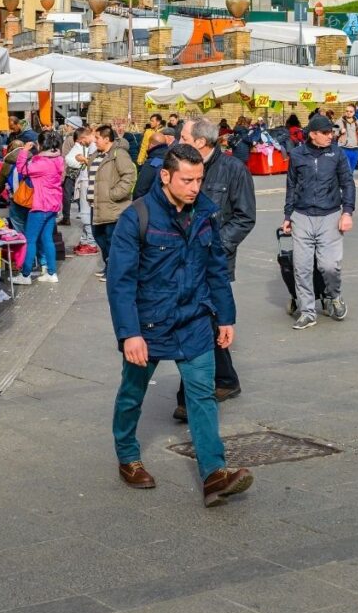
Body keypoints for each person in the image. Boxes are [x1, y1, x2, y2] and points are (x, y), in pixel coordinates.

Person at [107, 144, 252, 507]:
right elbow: (120, 282)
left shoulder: (205, 211)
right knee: (132, 394)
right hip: (149, 322)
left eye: (199, 179)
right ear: (165, 176)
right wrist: (130, 334)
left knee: (202, 394)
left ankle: (214, 474)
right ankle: (127, 456)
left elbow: (216, 267)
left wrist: (226, 316)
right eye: (187, 180)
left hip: (194, 320)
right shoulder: (137, 217)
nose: (194, 187)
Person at [174, 118, 257, 421]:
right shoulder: (180, 166)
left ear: (200, 142)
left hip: (215, 260)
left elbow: (245, 217)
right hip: (183, 258)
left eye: (183, 137)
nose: (177, 141)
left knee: (198, 319)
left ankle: (190, 396)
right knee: (206, 320)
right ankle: (226, 379)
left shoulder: (233, 169)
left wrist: (215, 245)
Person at [282, 115, 356, 329]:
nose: (330, 136)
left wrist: (347, 212)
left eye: (331, 132)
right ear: (313, 134)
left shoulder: (337, 154)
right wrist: (287, 216)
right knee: (302, 267)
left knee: (329, 266)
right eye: (325, 132)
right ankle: (307, 312)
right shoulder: (297, 155)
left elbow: (348, 183)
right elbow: (291, 186)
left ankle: (334, 295)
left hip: (330, 215)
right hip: (302, 216)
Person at [11, 130, 65, 285]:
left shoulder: (40, 164)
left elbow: (21, 169)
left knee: (30, 240)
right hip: (53, 205)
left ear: (40, 144)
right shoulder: (59, 160)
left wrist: (24, 151)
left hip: (40, 205)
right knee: (47, 239)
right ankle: (51, 273)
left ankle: (25, 275)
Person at [88, 124, 136, 281]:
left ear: (106, 139)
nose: (95, 141)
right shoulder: (97, 155)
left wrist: (114, 194)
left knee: (111, 240)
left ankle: (113, 271)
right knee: (99, 236)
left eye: (97, 138)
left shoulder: (118, 154)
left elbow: (129, 176)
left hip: (112, 206)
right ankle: (109, 266)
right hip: (96, 205)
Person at [65, 126, 99, 255]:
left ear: (83, 137)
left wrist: (83, 159)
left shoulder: (93, 146)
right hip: (85, 180)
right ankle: (85, 240)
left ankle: (91, 243)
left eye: (80, 141)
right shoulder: (91, 145)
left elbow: (95, 164)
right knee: (85, 212)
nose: (80, 144)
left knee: (86, 212)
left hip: (88, 181)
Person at [132, 127, 177, 199]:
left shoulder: (151, 163)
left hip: (149, 201)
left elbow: (140, 190)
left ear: (151, 144)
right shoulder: (171, 158)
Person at [59, 116, 84, 226]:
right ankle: (82, 212)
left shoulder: (70, 138)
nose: (65, 127)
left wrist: (62, 174)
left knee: (67, 194)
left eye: (67, 125)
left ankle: (66, 217)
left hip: (70, 170)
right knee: (79, 191)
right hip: (80, 168)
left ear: (73, 126)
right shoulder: (80, 137)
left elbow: (65, 157)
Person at [338, 103, 358, 173]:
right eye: (347, 111)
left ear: (354, 112)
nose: (348, 113)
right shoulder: (340, 121)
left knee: (352, 169)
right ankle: (346, 179)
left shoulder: (357, 121)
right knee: (346, 169)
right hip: (344, 148)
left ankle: (349, 179)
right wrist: (340, 131)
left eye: (351, 111)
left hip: (355, 148)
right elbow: (333, 132)